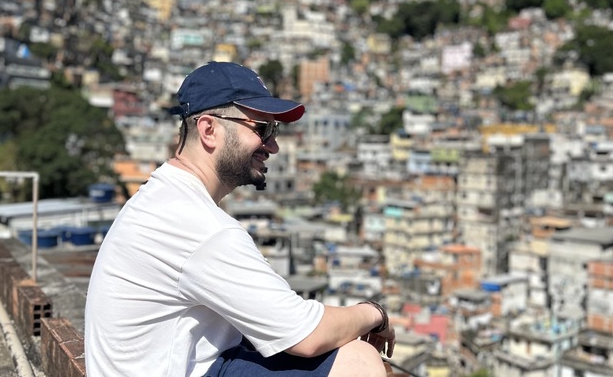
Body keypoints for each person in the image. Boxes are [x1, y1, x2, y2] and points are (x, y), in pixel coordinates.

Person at [84, 61, 395, 377]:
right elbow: (307, 335)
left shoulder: (159, 197)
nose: (272, 145)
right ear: (209, 129)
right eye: (262, 129)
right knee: (357, 361)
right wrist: (373, 313)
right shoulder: (202, 227)